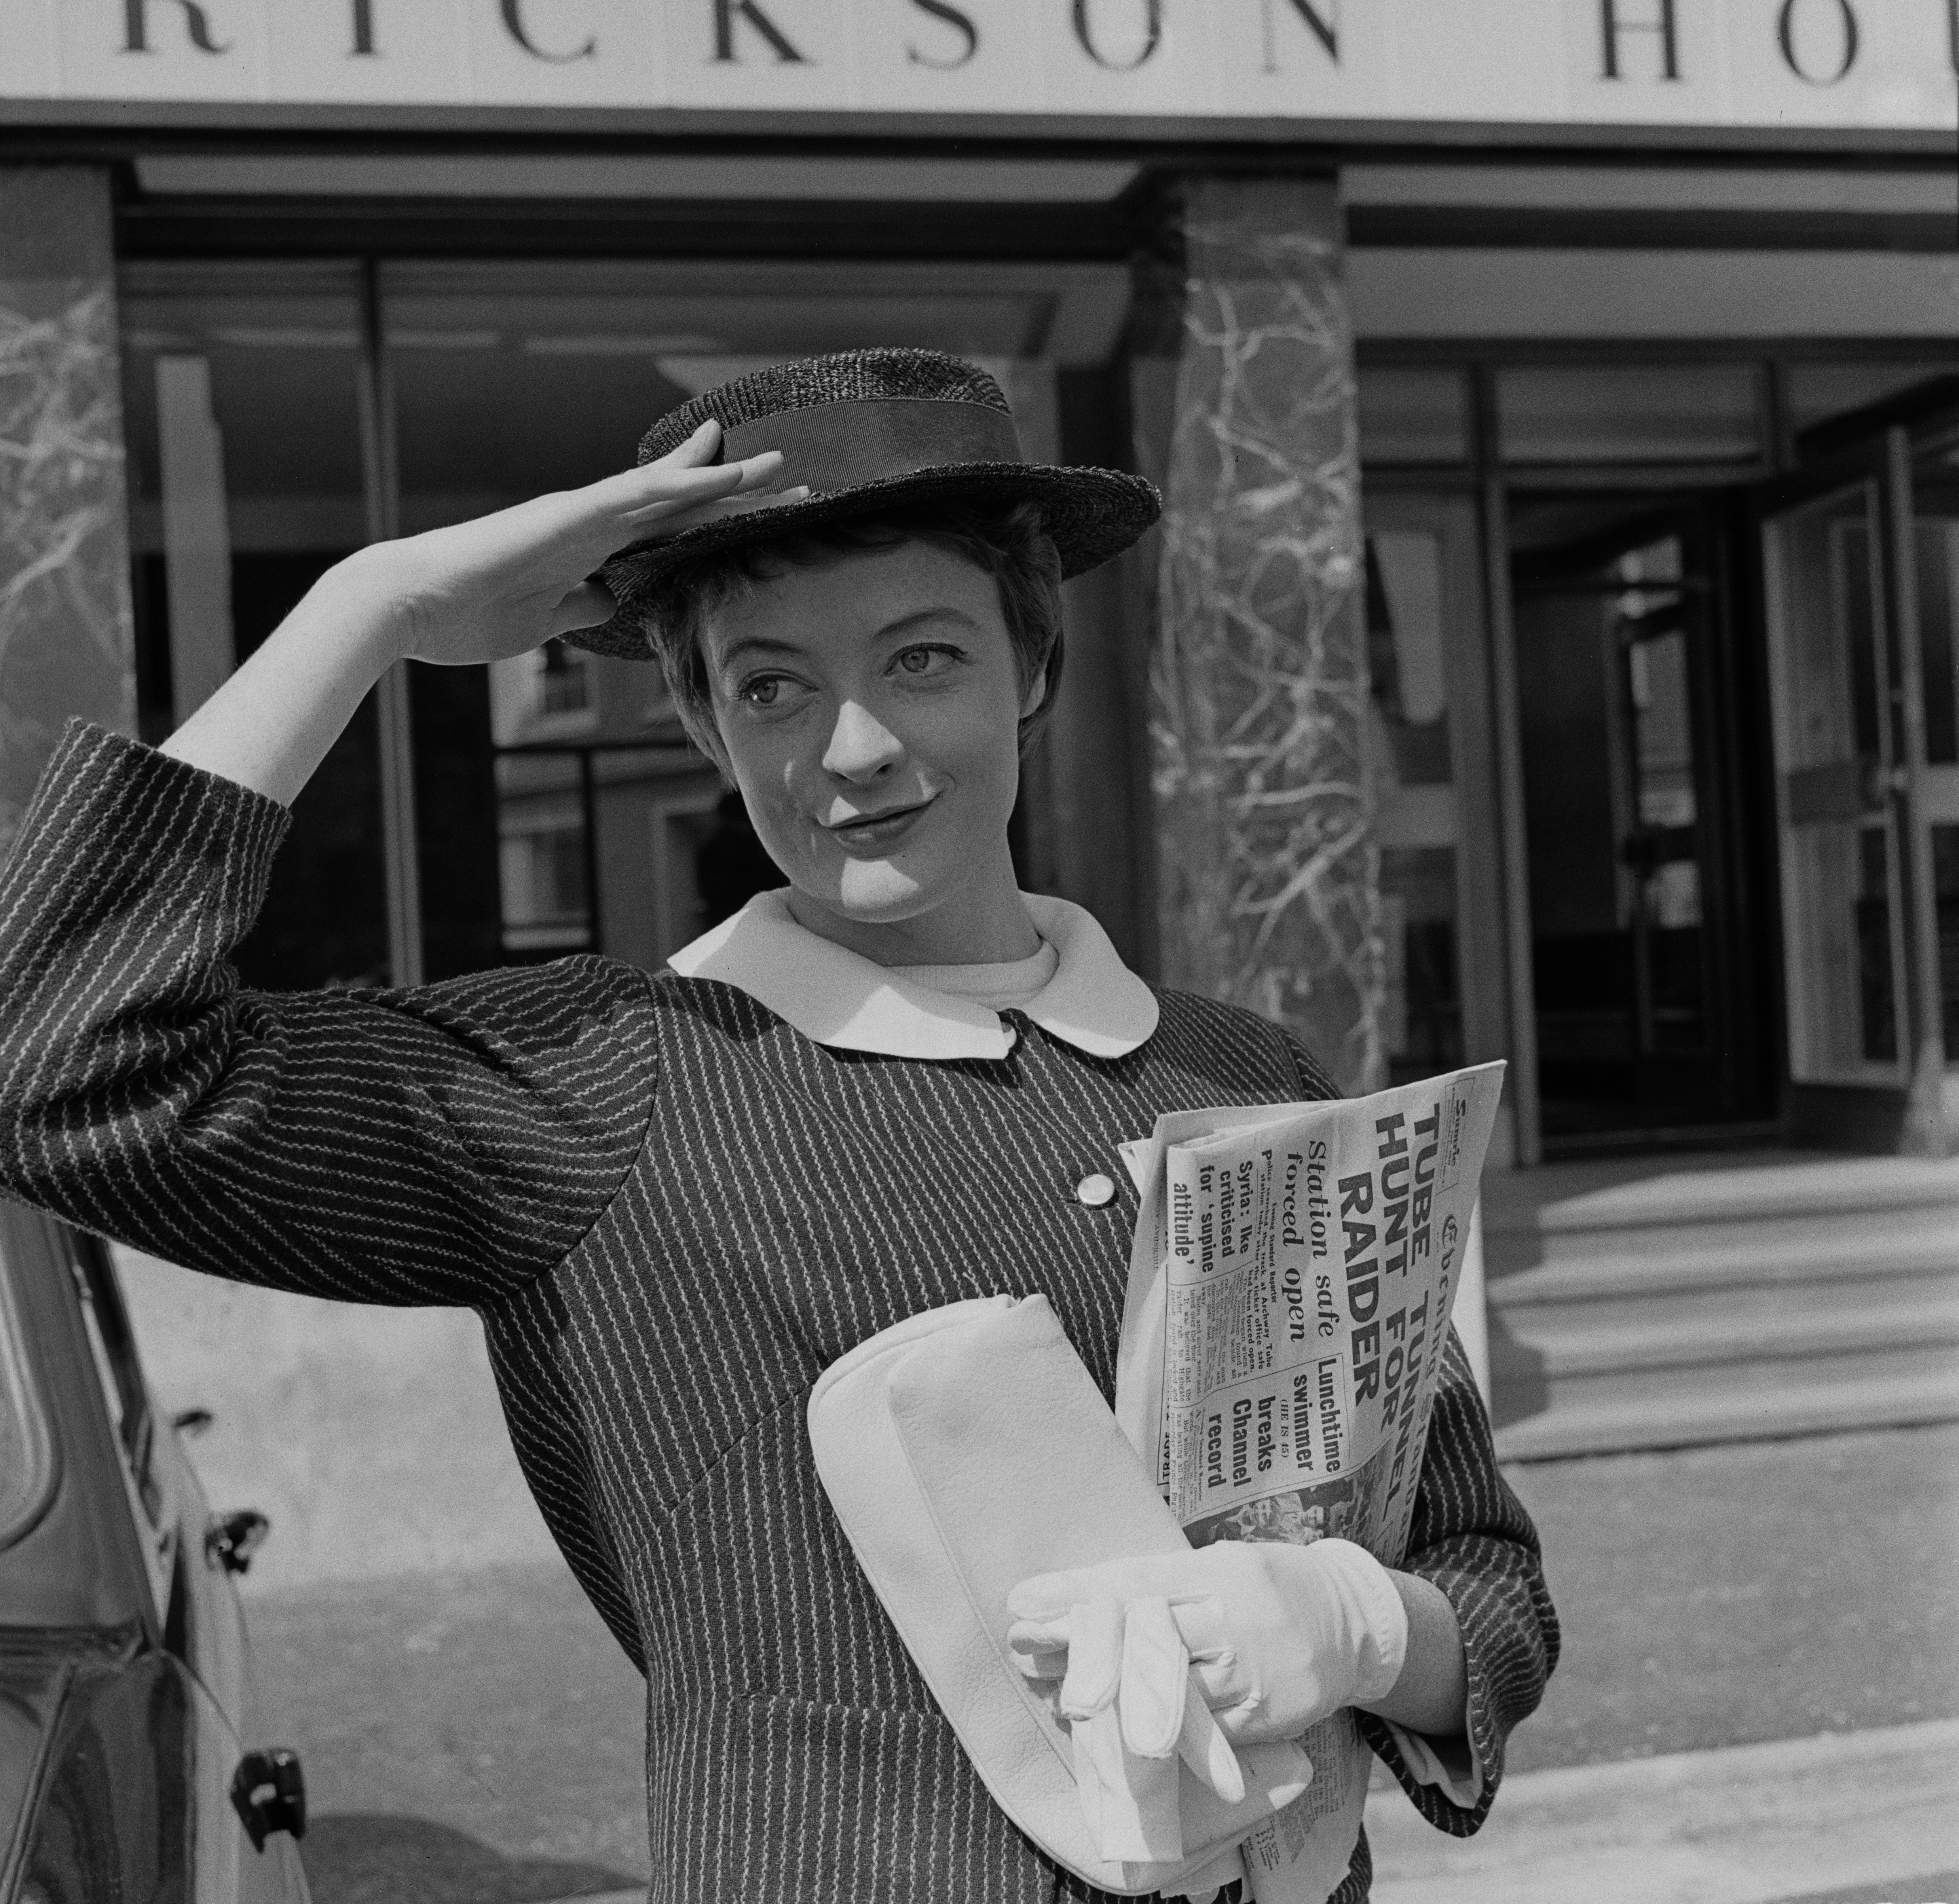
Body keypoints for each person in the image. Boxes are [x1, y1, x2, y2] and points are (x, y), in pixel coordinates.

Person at [0, 349, 1556, 1904]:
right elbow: (58, 1063)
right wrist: (371, 611)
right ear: (698, 721)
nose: (855, 748)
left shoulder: (1252, 1081)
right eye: (770, 687)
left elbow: (1483, 1589)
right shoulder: (601, 1081)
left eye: (924, 657)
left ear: (1031, 663)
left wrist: (1356, 1629)